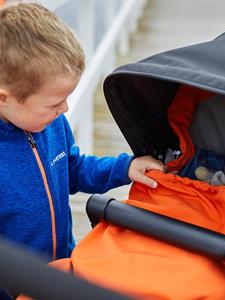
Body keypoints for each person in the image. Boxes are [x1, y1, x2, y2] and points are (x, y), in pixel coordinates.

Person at [0, 1, 164, 265]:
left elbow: (72, 169)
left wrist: (125, 168)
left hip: (63, 267)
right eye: (54, 104)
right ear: (3, 99)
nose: (64, 109)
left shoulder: (50, 123)